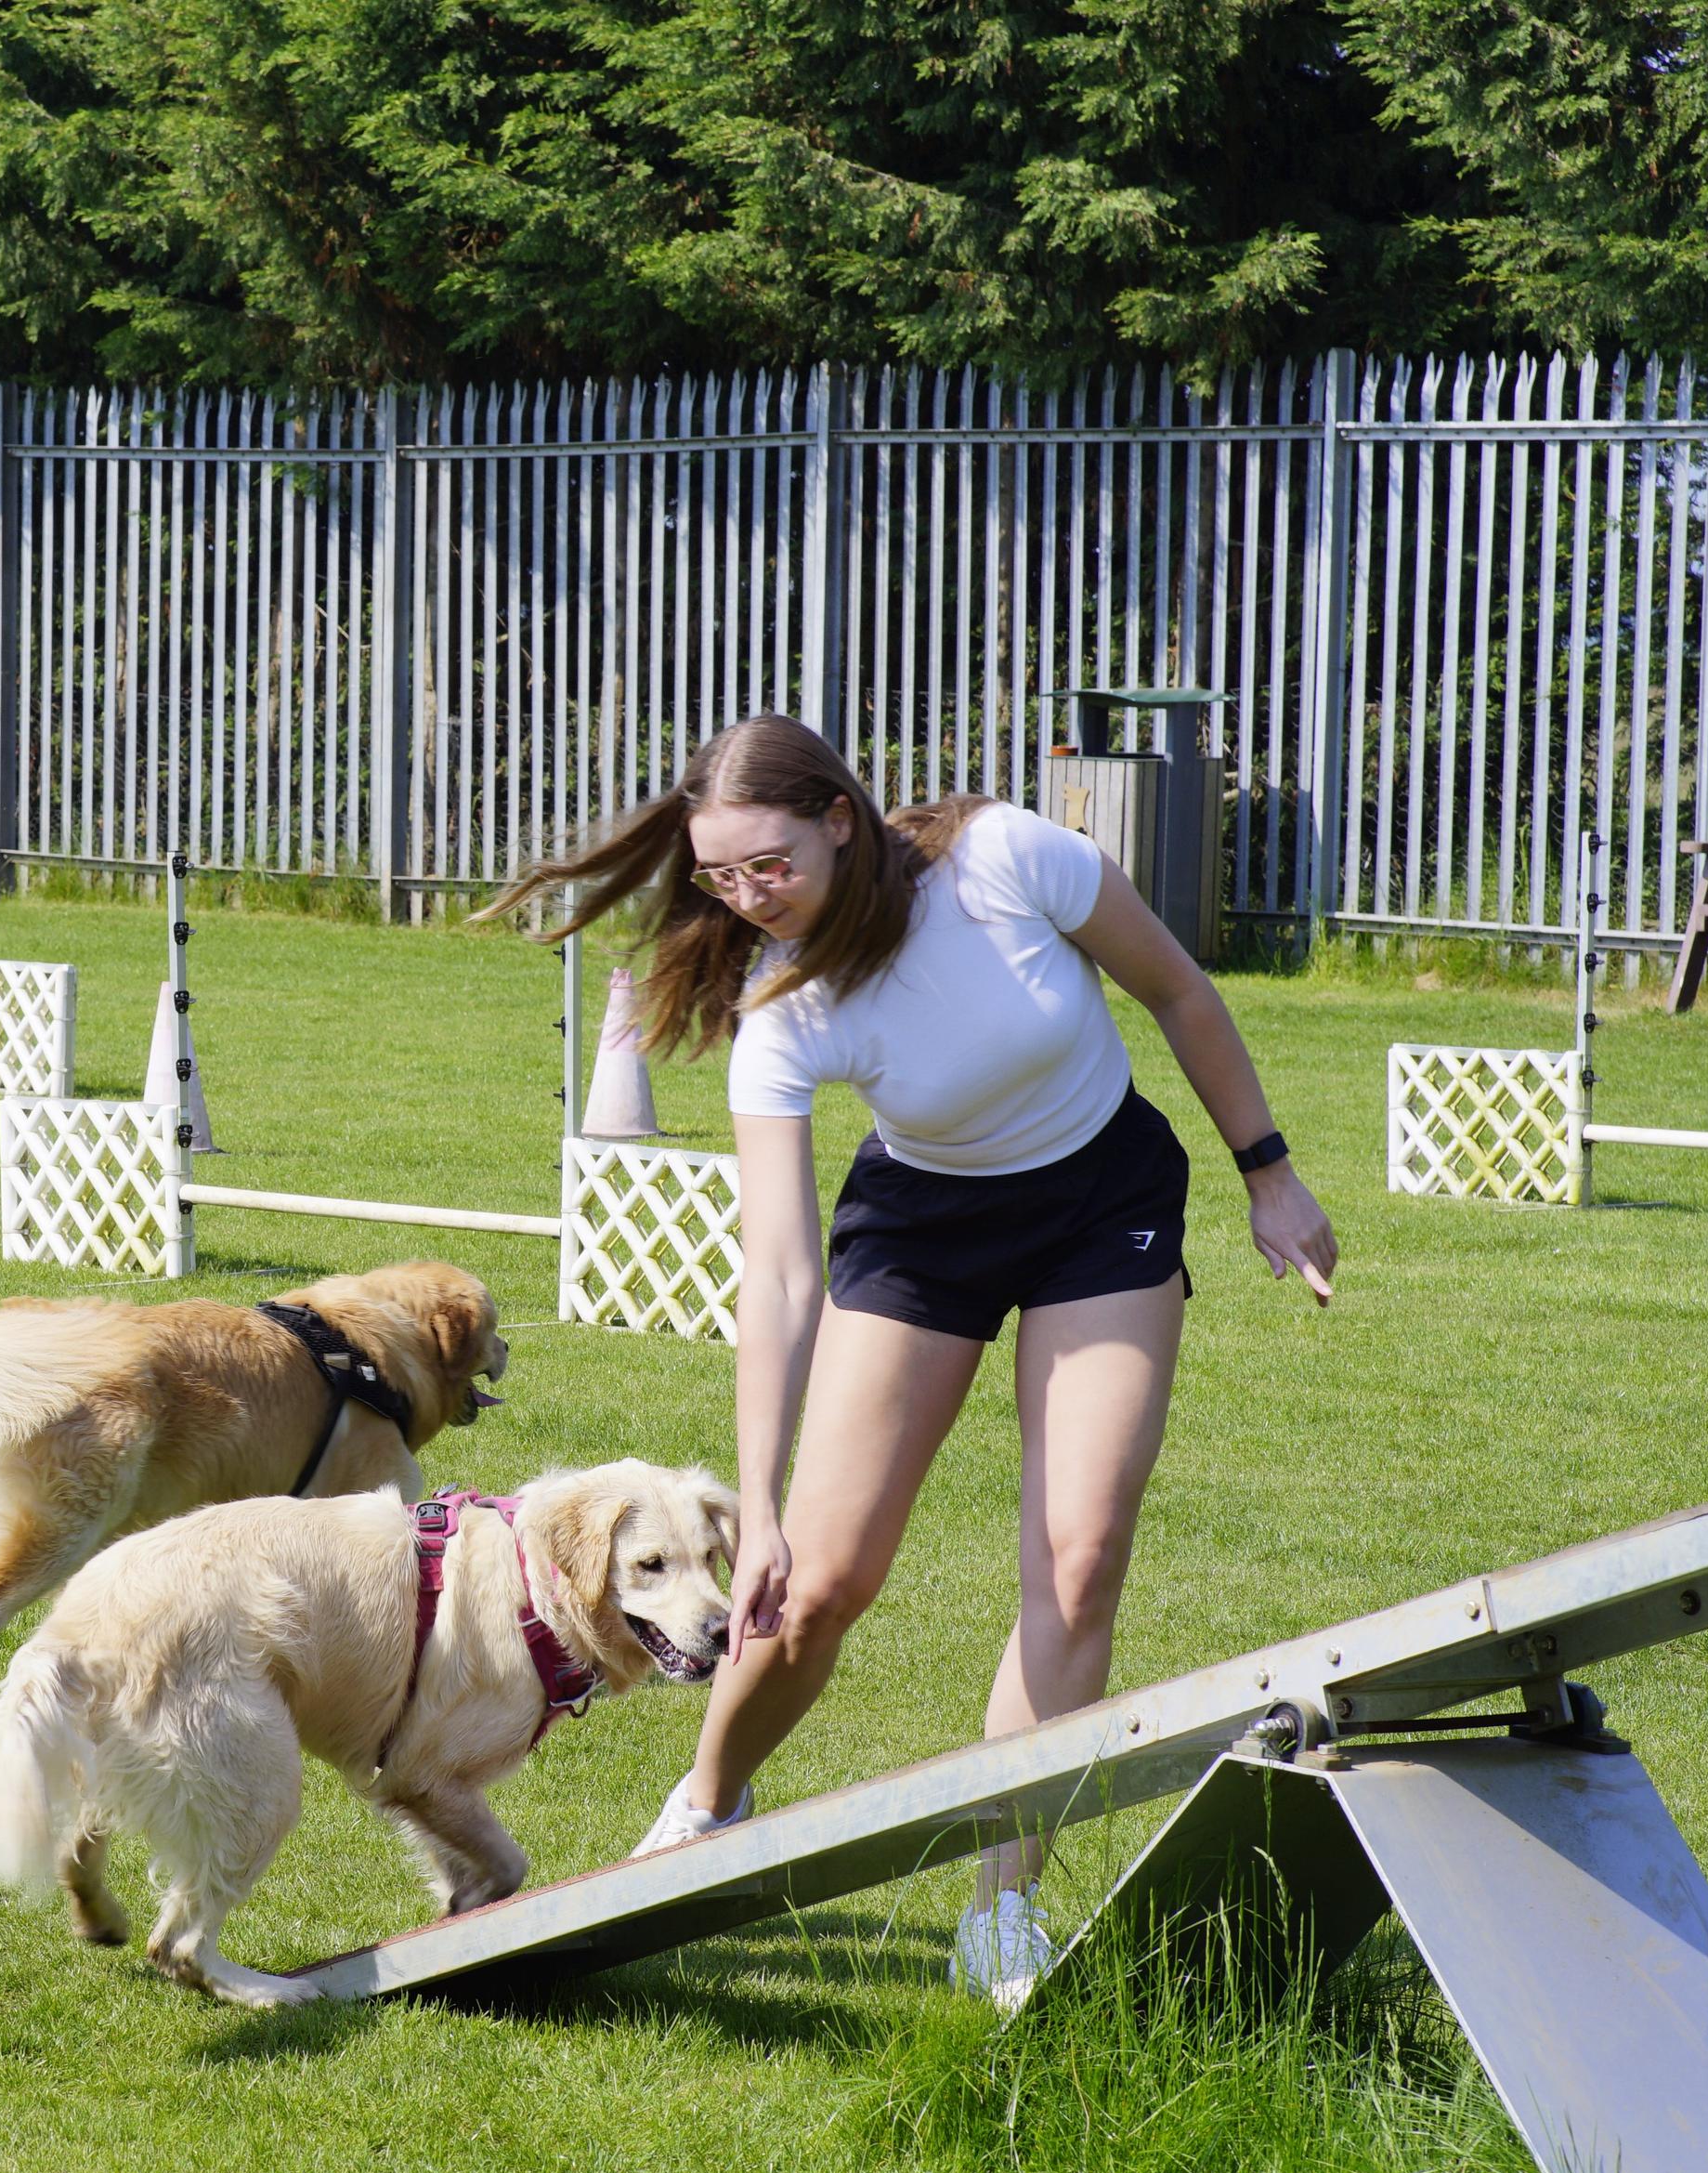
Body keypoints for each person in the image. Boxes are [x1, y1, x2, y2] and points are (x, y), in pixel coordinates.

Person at [491, 715, 1337, 2005]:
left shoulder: (1007, 861)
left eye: (765, 865)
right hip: (921, 1234)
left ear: (840, 815)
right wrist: (757, 1513)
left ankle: (1005, 1912)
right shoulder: (783, 1011)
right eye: (720, 878)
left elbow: (1177, 988)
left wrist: (1267, 1176)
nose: (743, 898)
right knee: (820, 1583)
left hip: (1101, 1205)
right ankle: (707, 1807)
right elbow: (776, 1278)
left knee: (1079, 1559)